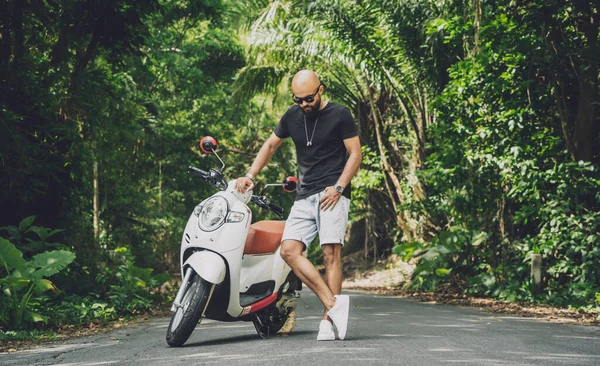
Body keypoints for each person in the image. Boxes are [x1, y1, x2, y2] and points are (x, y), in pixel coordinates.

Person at [235, 70, 362, 341]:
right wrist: (250, 175)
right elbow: (270, 146)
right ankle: (333, 303)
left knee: (330, 254)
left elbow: (355, 153)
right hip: (304, 195)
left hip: (332, 194)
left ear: (320, 90)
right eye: (298, 100)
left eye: (308, 98)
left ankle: (328, 322)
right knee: (289, 251)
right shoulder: (292, 117)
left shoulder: (340, 114)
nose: (304, 104)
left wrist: (339, 186)